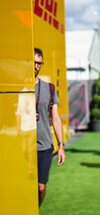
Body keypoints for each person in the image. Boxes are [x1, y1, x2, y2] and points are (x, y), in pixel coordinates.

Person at [34, 48, 66, 206]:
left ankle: (36, 211)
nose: (36, 66)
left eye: (39, 63)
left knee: (40, 187)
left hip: (44, 146)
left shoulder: (49, 88)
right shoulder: (17, 87)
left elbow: (56, 118)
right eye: (33, 62)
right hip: (23, 147)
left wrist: (61, 145)